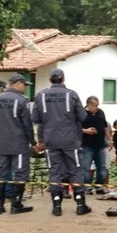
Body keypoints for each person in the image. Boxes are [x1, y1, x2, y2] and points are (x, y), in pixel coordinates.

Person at [31, 69, 90, 216]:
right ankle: (80, 204)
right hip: (70, 138)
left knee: (54, 171)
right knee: (75, 169)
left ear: (51, 80)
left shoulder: (40, 95)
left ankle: (56, 205)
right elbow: (83, 117)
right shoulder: (72, 94)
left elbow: (35, 118)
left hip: (50, 139)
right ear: (63, 79)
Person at [0, 73, 37, 215]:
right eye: (24, 85)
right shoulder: (22, 101)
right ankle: (16, 205)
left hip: (2, 142)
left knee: (1, 173)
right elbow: (27, 124)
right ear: (18, 83)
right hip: (19, 143)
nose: (25, 88)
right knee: (20, 173)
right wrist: (32, 142)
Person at [81, 96, 112, 195]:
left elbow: (105, 127)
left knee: (102, 168)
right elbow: (75, 128)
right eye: (95, 105)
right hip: (87, 146)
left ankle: (99, 186)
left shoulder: (100, 112)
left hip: (101, 145)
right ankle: (87, 187)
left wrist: (109, 140)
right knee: (86, 168)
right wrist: (86, 131)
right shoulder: (81, 113)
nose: (97, 107)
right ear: (89, 105)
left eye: (98, 105)